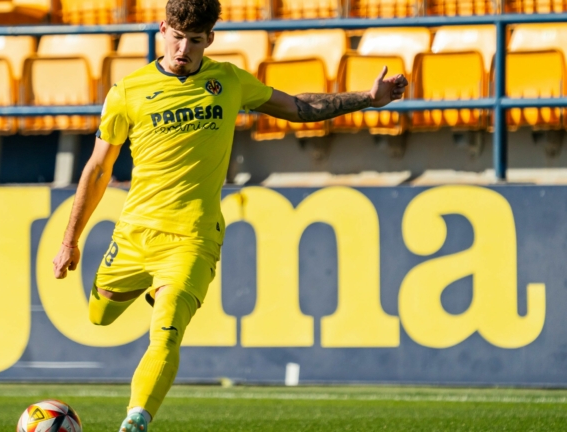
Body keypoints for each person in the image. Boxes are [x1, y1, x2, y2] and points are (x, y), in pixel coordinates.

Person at [52, 0, 408, 430]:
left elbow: (297, 106)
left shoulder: (228, 80)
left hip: (192, 238)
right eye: (177, 37)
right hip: (133, 235)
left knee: (166, 329)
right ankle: (149, 290)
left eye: (195, 40)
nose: (183, 49)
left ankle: (136, 419)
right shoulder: (128, 91)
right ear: (162, 29)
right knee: (99, 315)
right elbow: (98, 169)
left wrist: (366, 99)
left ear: (210, 39)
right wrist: (70, 240)